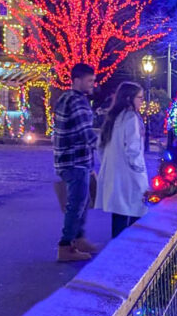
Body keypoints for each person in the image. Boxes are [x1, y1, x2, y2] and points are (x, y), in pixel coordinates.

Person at [53, 62, 100, 262]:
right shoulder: (78, 102)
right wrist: (105, 147)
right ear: (77, 80)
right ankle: (66, 246)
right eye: (89, 81)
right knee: (77, 203)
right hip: (75, 160)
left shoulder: (66, 98)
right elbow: (86, 133)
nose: (93, 84)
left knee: (80, 201)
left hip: (69, 160)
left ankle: (79, 238)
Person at [95, 82, 149, 238]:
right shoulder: (131, 117)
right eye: (139, 98)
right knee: (136, 215)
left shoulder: (113, 117)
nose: (141, 101)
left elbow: (100, 146)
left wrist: (109, 163)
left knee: (118, 217)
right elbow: (133, 149)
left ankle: (115, 252)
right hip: (130, 177)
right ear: (128, 98)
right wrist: (139, 171)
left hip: (114, 175)